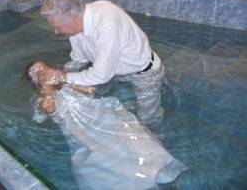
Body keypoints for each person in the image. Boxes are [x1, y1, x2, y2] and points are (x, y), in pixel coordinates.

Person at [25, 59, 187, 190]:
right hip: (82, 131)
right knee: (107, 163)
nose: (44, 72)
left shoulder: (69, 80)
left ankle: (163, 181)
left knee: (136, 146)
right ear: (34, 81)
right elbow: (49, 109)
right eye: (38, 72)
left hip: (103, 117)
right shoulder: (39, 98)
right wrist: (47, 86)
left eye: (45, 67)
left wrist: (65, 79)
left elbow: (91, 90)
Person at [40, 0, 166, 126]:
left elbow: (101, 75)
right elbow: (78, 59)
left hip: (144, 73)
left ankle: (158, 135)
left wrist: (64, 77)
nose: (56, 32)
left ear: (73, 16)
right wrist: (59, 75)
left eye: (58, 27)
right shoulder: (76, 26)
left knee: (148, 117)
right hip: (116, 72)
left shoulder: (108, 24)